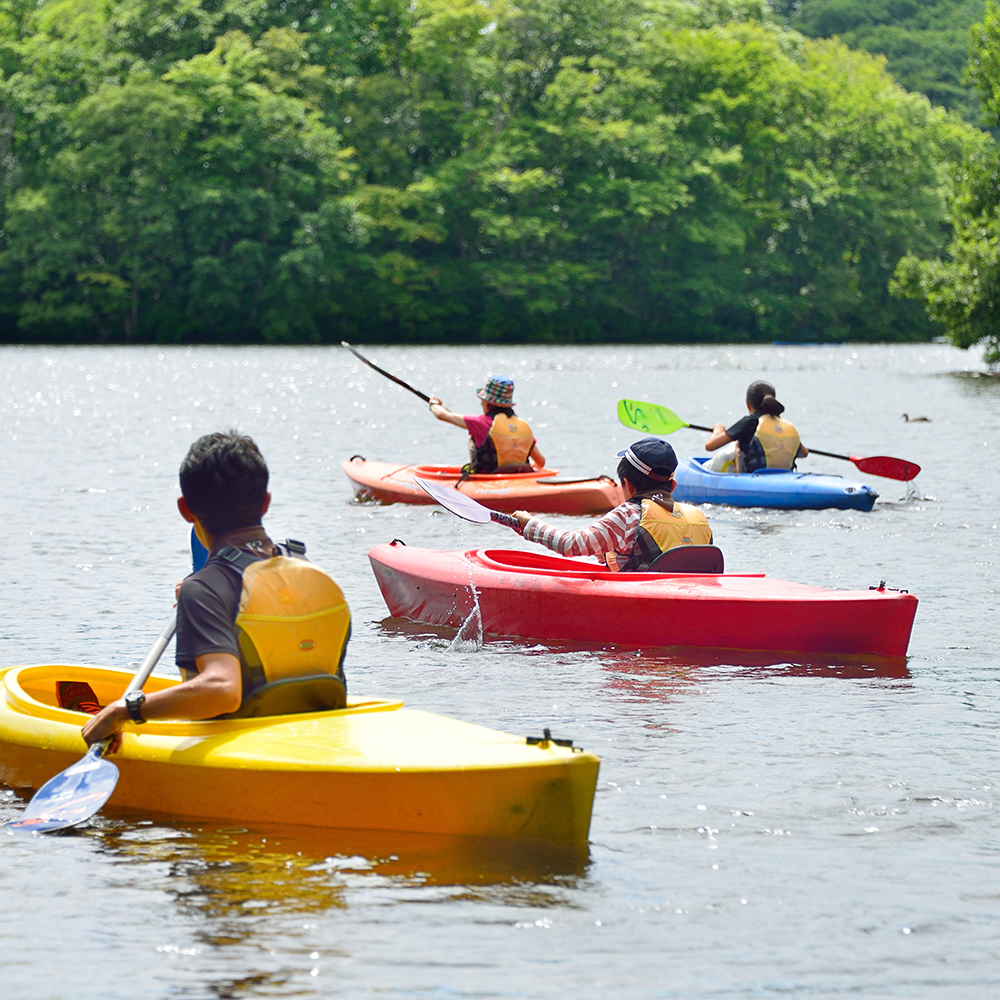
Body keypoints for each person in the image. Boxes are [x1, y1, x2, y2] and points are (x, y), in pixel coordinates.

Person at [81, 431, 350, 751]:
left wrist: (123, 711)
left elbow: (222, 689)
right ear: (265, 502)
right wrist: (207, 599)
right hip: (323, 742)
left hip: (247, 754)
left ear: (185, 509)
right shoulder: (305, 568)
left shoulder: (206, 589)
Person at [513, 437, 713, 572]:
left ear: (626, 484)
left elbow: (570, 545)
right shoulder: (698, 517)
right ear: (673, 486)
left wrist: (529, 524)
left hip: (644, 604)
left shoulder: (626, 516)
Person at [427, 376, 545, 473]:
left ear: (487, 403)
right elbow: (540, 462)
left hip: (487, 482)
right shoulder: (521, 426)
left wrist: (434, 403)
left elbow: (442, 415)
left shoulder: (481, 423)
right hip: (520, 481)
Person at [703, 380, 808, 473]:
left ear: (748, 403)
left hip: (753, 479)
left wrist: (717, 430)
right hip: (784, 477)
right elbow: (804, 453)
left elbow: (710, 446)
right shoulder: (782, 425)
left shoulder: (748, 422)